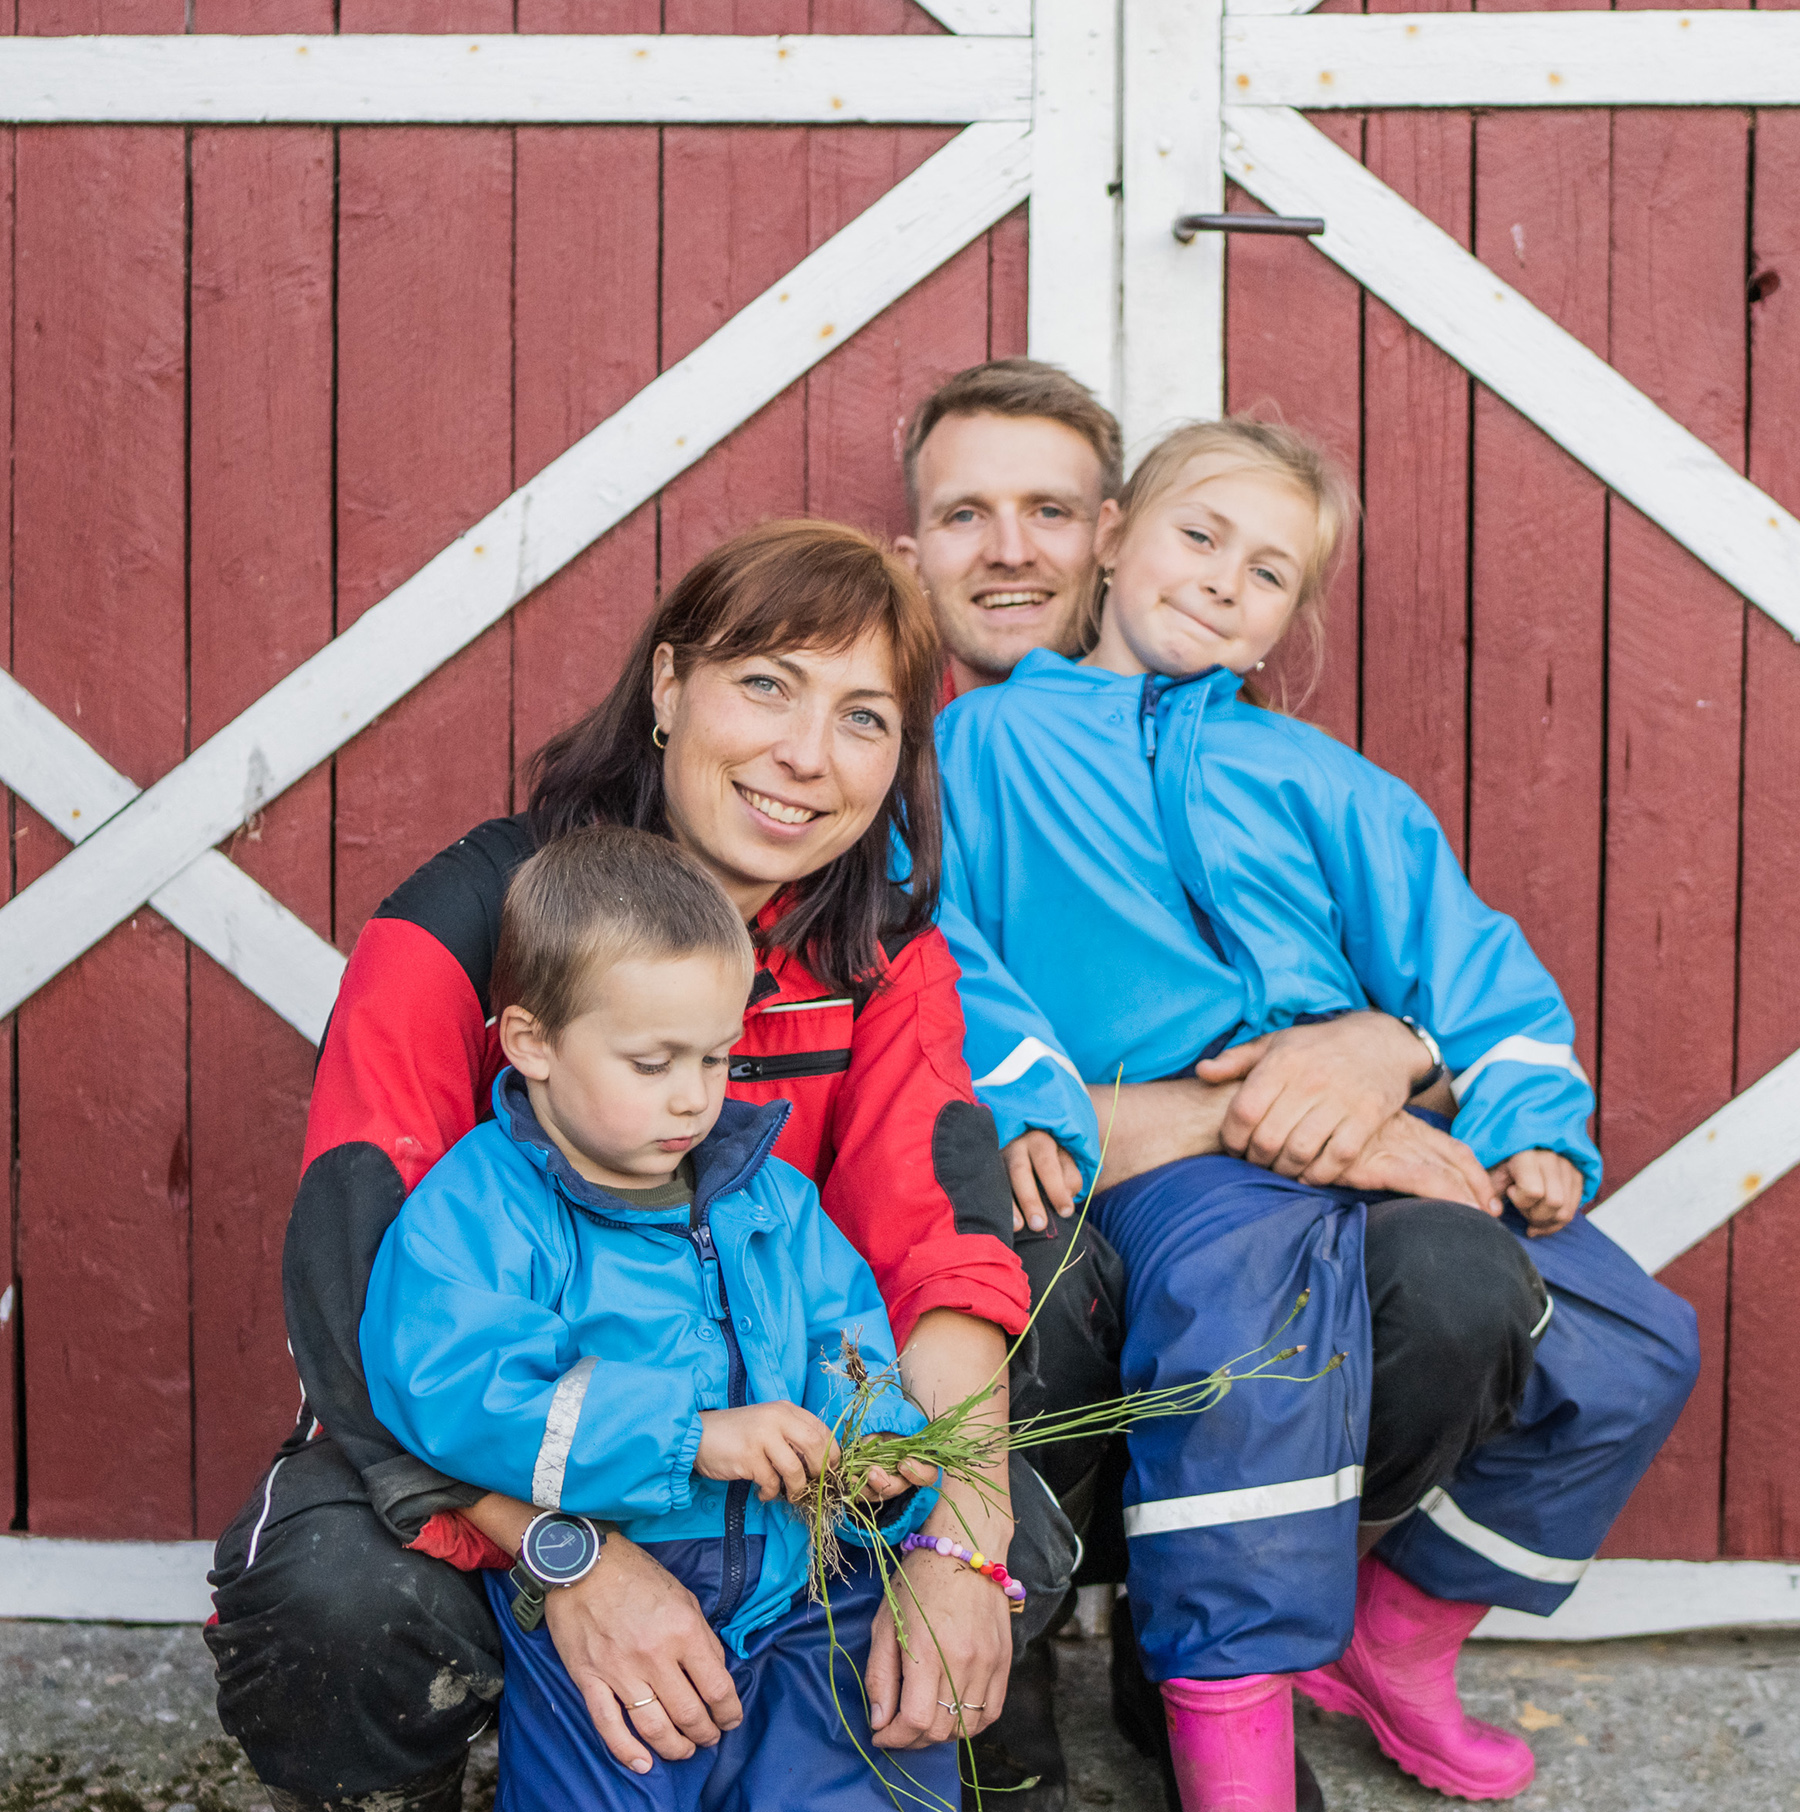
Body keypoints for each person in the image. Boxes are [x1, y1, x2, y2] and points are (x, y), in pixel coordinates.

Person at [207, 521, 1077, 1812]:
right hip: (488, 1447)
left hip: (768, 1473)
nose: (805, 756)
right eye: (767, 684)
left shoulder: (889, 955)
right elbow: (358, 1309)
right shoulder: (463, 928)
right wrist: (572, 1559)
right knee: (341, 1608)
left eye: (863, 718)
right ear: (669, 688)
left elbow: (936, 1252)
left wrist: (961, 1542)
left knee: (1018, 1533)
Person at [934, 416, 1702, 1811]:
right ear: (1114, 540)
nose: (1229, 582)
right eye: (1202, 536)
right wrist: (1031, 1093)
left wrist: (1533, 1122)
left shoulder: (1330, 782)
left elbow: (1473, 968)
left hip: (1378, 1154)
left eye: (1272, 570)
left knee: (1633, 1344)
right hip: (1193, 1171)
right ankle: (1235, 1754)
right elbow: (955, 954)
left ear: (1295, 613)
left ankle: (1397, 1642)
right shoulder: (985, 745)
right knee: (1260, 1382)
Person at [359, 825, 962, 1811]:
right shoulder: (484, 1209)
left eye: (716, 1059)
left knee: (869, 1780)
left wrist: (879, 1457)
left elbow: (847, 1347)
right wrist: (687, 1440)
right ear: (532, 1042)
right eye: (651, 1064)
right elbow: (458, 1395)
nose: (692, 1099)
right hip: (606, 1592)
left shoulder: (772, 1200)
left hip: (796, 1592)